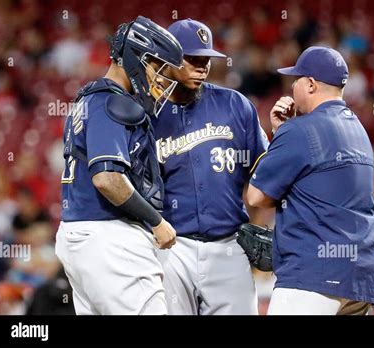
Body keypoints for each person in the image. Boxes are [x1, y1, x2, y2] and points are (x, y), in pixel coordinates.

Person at [55, 16, 183, 315]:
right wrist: (156, 221)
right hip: (110, 240)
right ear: (137, 57)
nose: (161, 79)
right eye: (158, 67)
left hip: (82, 236)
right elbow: (107, 178)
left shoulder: (87, 99)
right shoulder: (112, 103)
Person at [247, 46, 374, 315]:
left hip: (311, 276)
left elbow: (257, 196)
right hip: (360, 278)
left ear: (310, 84)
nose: (292, 86)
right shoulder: (359, 130)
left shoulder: (299, 130)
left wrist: (279, 134)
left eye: (295, 80)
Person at [151, 19, 270, 315]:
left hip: (229, 245)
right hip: (172, 248)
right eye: (192, 59)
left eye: (205, 59)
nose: (202, 66)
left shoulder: (235, 105)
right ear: (169, 58)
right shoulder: (149, 114)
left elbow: (265, 170)